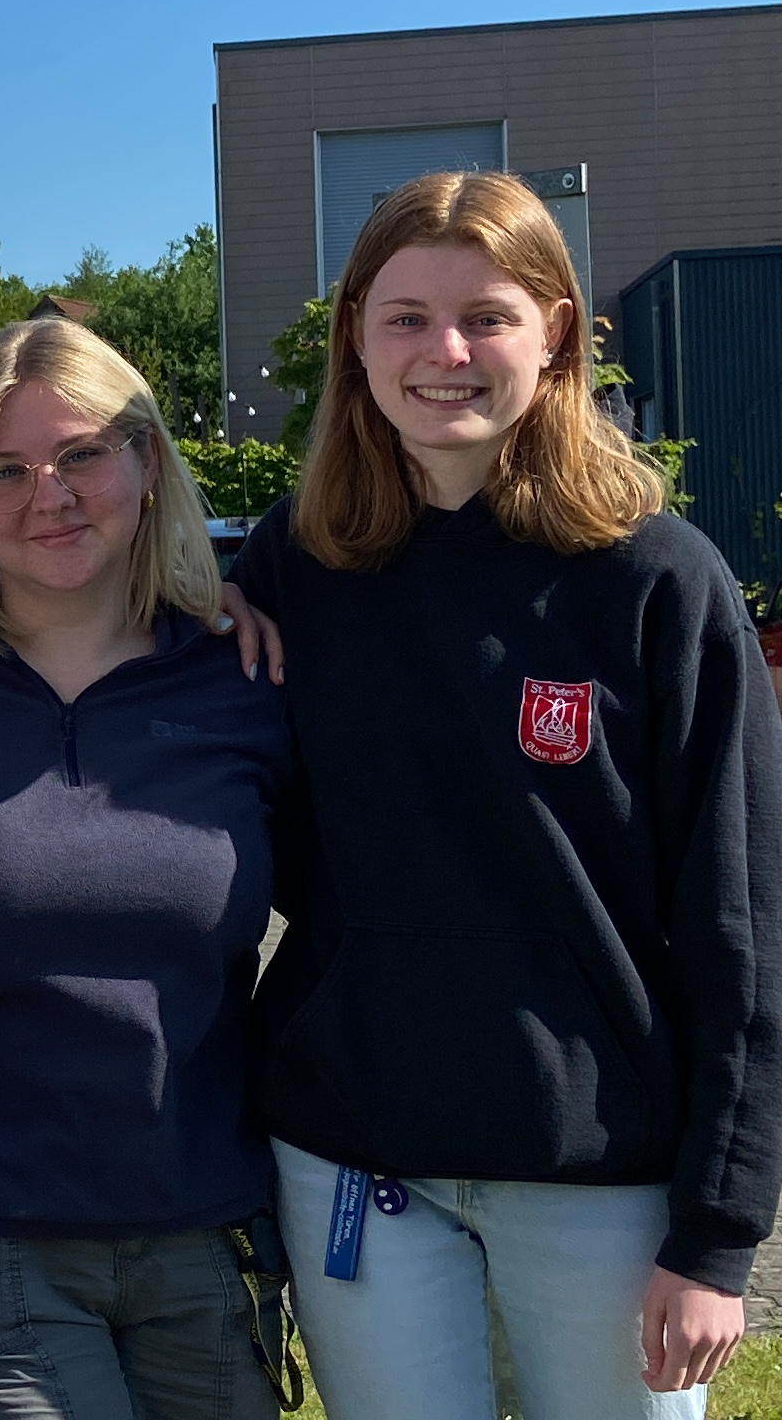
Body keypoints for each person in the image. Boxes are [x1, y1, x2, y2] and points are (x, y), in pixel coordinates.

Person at [233, 170, 782, 1420]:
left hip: (597, 1181)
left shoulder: (656, 580)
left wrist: (715, 1235)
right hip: (360, 1164)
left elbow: (741, 931)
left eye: (484, 315)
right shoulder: (292, 566)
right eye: (405, 317)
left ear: (556, 333)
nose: (446, 352)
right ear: (356, 342)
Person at [0, 315, 294, 1420]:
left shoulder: (244, 674)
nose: (48, 495)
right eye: (1, 471)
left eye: (82, 453)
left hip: (207, 1230)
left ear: (145, 459)